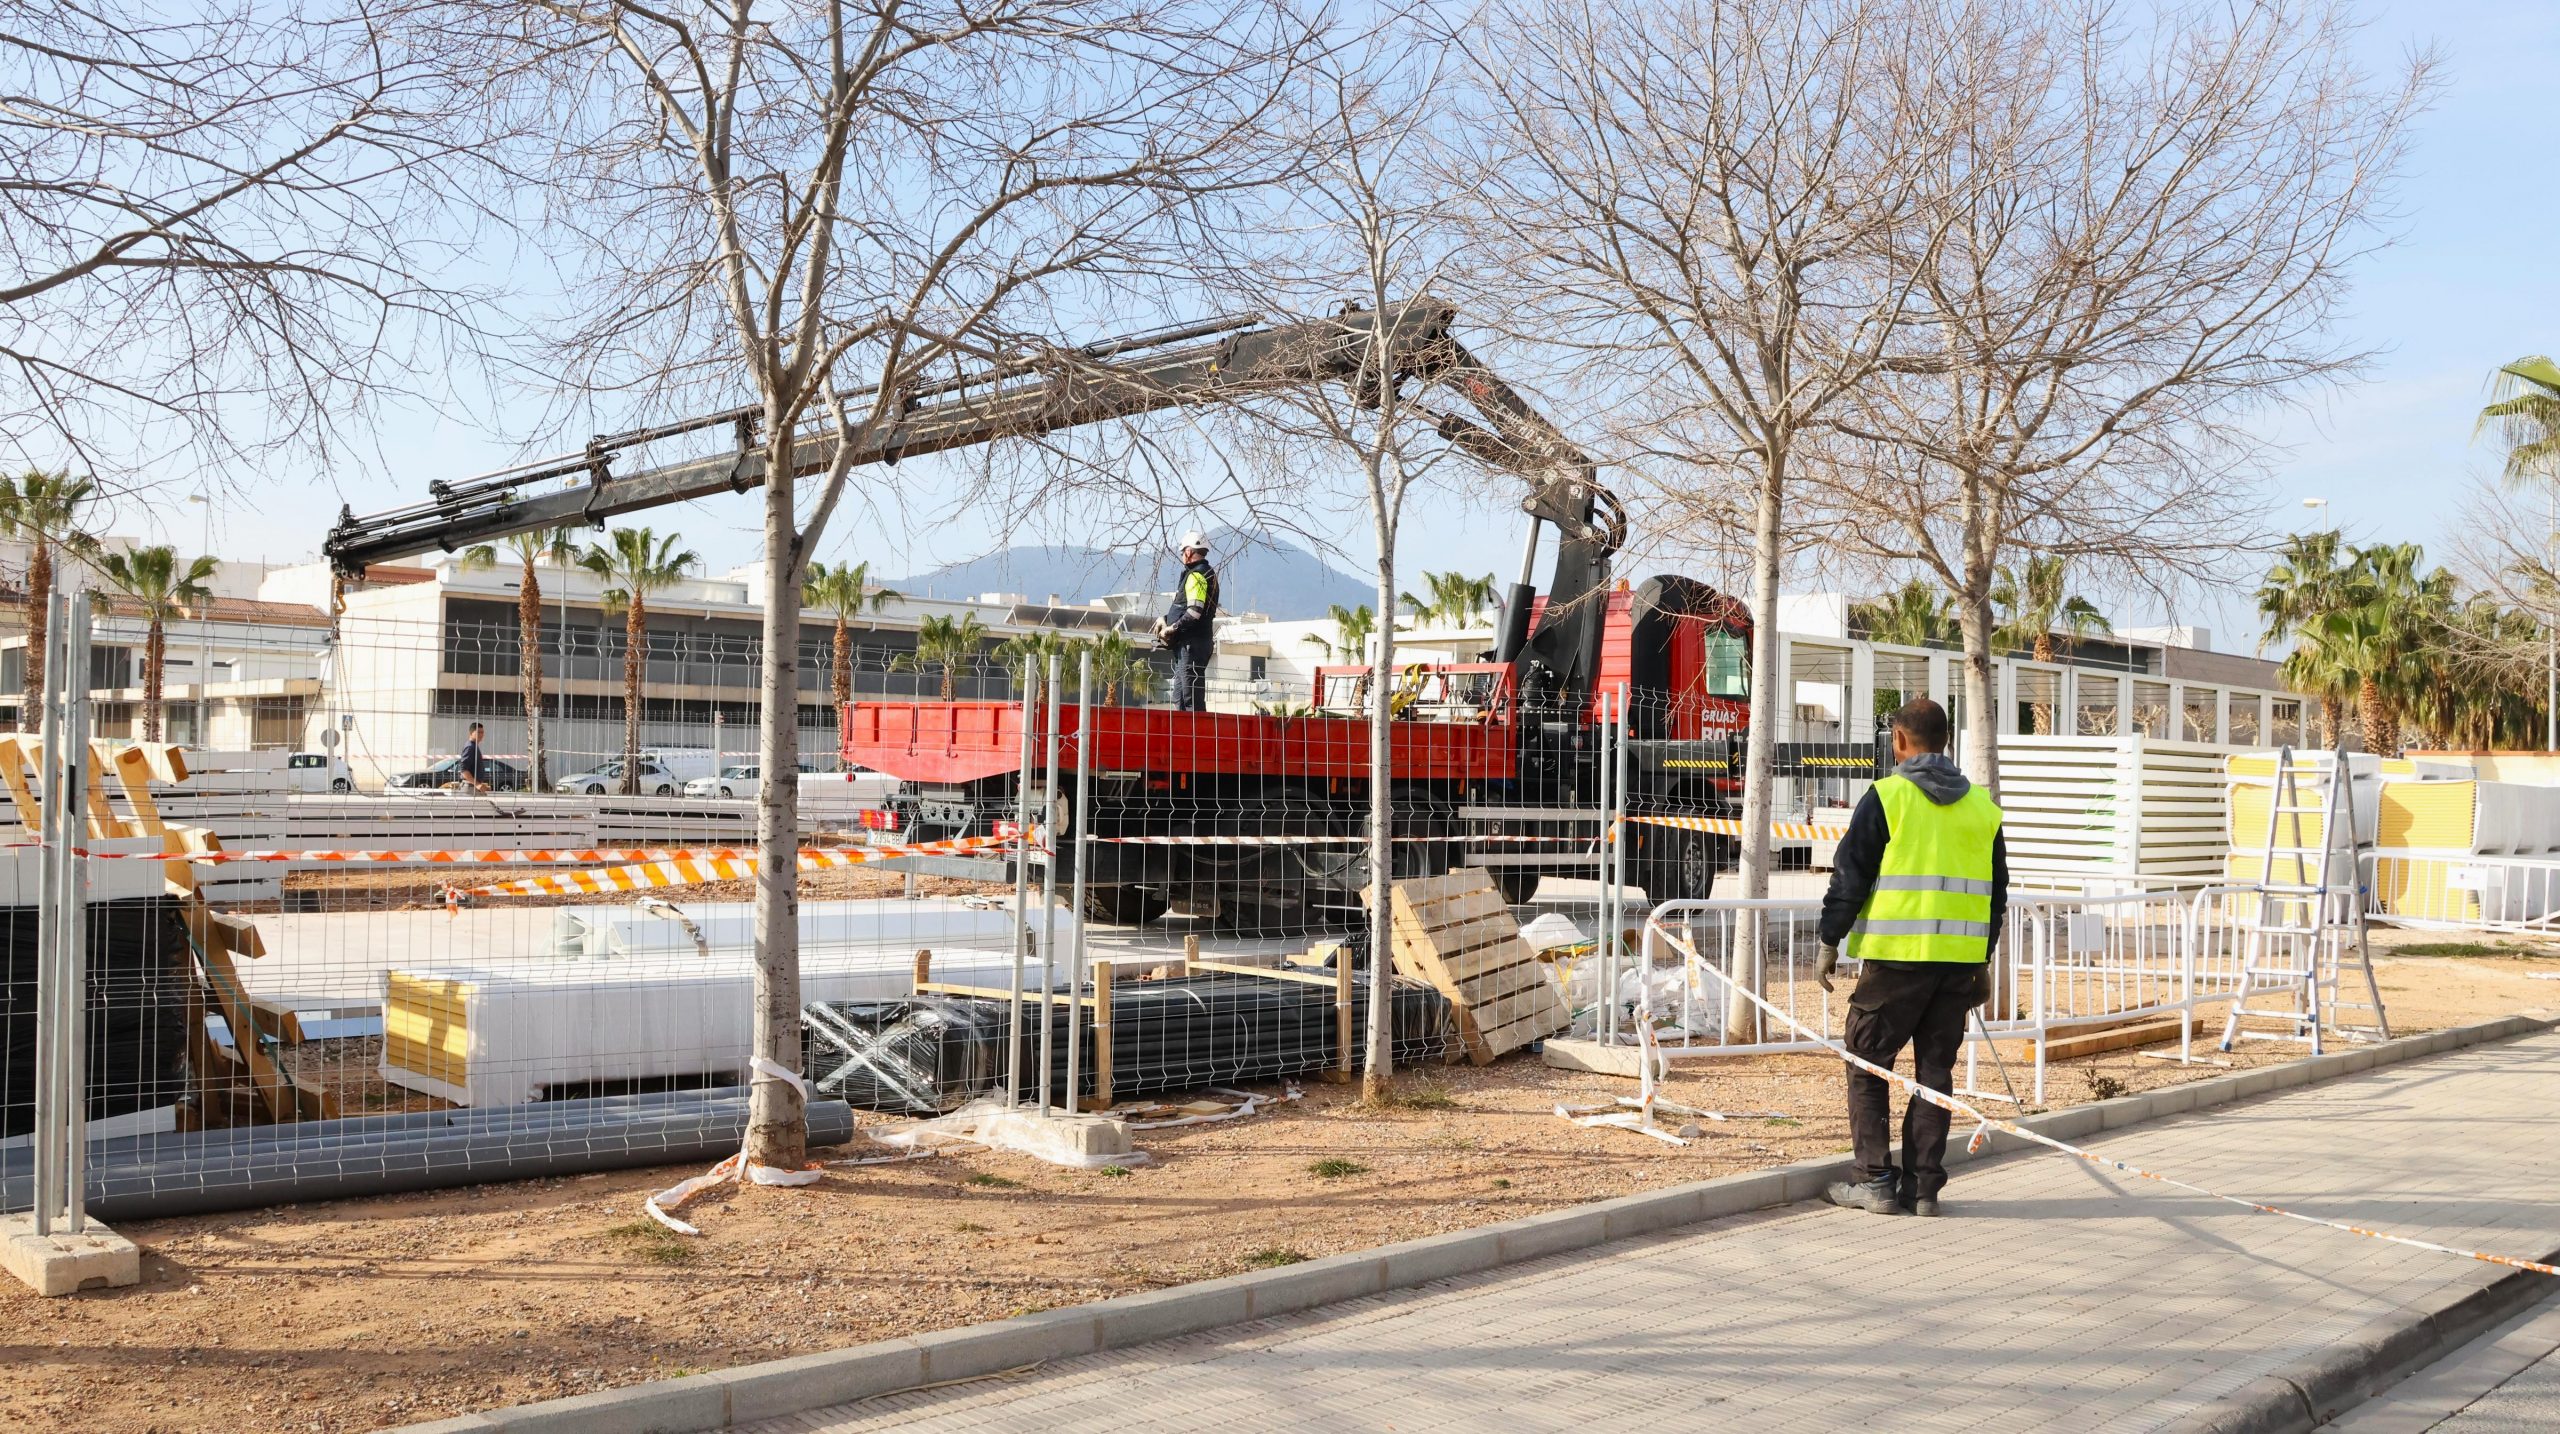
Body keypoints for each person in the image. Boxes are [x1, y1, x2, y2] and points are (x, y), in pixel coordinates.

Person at [1814, 696, 2007, 1218]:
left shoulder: (1887, 796)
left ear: (1899, 740)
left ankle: (1874, 1179)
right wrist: (1982, 962)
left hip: (1896, 963)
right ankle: (1923, 1189)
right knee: (1934, 1074)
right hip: (1957, 967)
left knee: (1866, 1063)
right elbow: (1996, 894)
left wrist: (1829, 940)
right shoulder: (1984, 810)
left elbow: (1850, 874)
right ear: (1946, 742)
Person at [1155, 530, 1219, 713]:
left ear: (1190, 551)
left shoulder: (1197, 576)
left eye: (1183, 551)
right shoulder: (1204, 574)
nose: (1183, 555)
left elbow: (1194, 612)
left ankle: (1195, 738)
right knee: (1180, 697)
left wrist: (1171, 628)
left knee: (1190, 699)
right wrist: (1165, 619)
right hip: (1190, 645)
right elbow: (1186, 608)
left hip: (1192, 645)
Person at [455, 721, 491, 793]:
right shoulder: (470, 747)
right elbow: (464, 770)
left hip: (472, 787)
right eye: (478, 732)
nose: (481, 734)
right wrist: (477, 784)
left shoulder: (473, 746)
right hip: (470, 788)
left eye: (482, 732)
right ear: (471, 733)